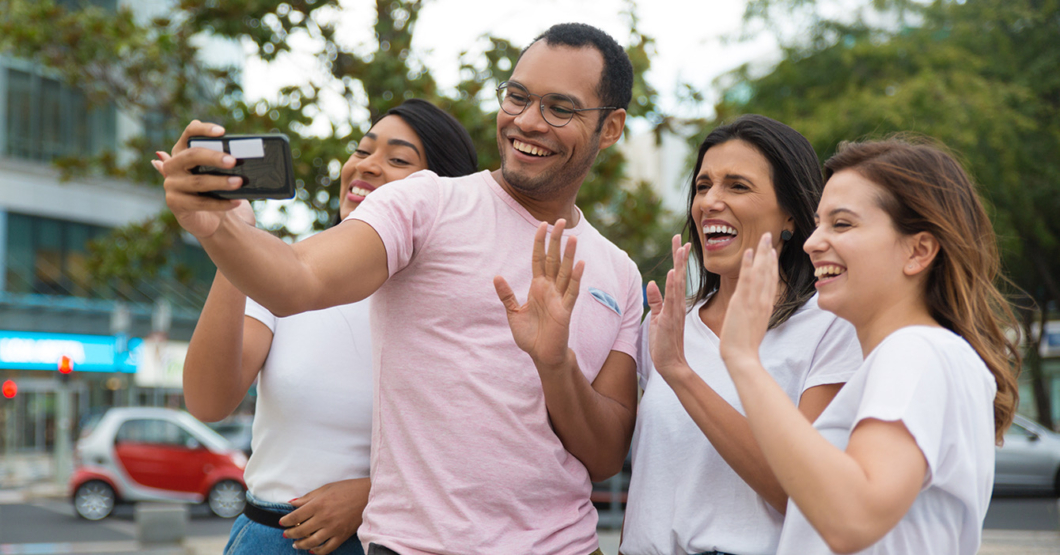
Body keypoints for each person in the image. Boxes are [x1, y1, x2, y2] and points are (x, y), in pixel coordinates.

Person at [161, 23, 642, 555]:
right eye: (517, 96)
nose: (528, 121)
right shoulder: (425, 203)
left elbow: (604, 457)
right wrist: (220, 230)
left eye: (560, 108)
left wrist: (556, 365)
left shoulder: (620, 275)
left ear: (611, 127)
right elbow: (299, 277)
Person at [158, 99, 478, 555]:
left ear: (441, 193)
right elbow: (209, 401)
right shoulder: (285, 270)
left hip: (395, 542)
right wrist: (229, 237)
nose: (366, 165)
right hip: (272, 536)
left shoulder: (462, 300)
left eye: (398, 160)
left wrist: (369, 495)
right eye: (362, 150)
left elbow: (479, 447)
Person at [717, 138, 1020, 554]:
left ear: (919, 251)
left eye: (841, 224)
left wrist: (743, 360)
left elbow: (853, 518)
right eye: (818, 223)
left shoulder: (917, 351)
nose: (812, 242)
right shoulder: (921, 355)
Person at [620, 115, 863, 555]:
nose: (710, 201)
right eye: (702, 185)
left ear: (791, 215)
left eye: (737, 186)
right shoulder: (668, 322)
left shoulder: (831, 326)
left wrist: (681, 374)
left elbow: (805, 495)